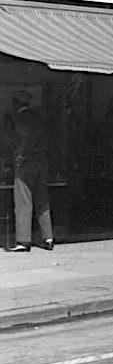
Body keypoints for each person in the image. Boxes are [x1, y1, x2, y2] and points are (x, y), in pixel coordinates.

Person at [4, 91, 53, 253]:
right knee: (42, 200)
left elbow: (26, 139)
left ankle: (23, 241)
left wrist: (21, 156)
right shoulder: (39, 118)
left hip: (27, 163)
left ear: (16, 103)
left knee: (23, 200)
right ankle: (48, 237)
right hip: (42, 162)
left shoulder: (21, 119)